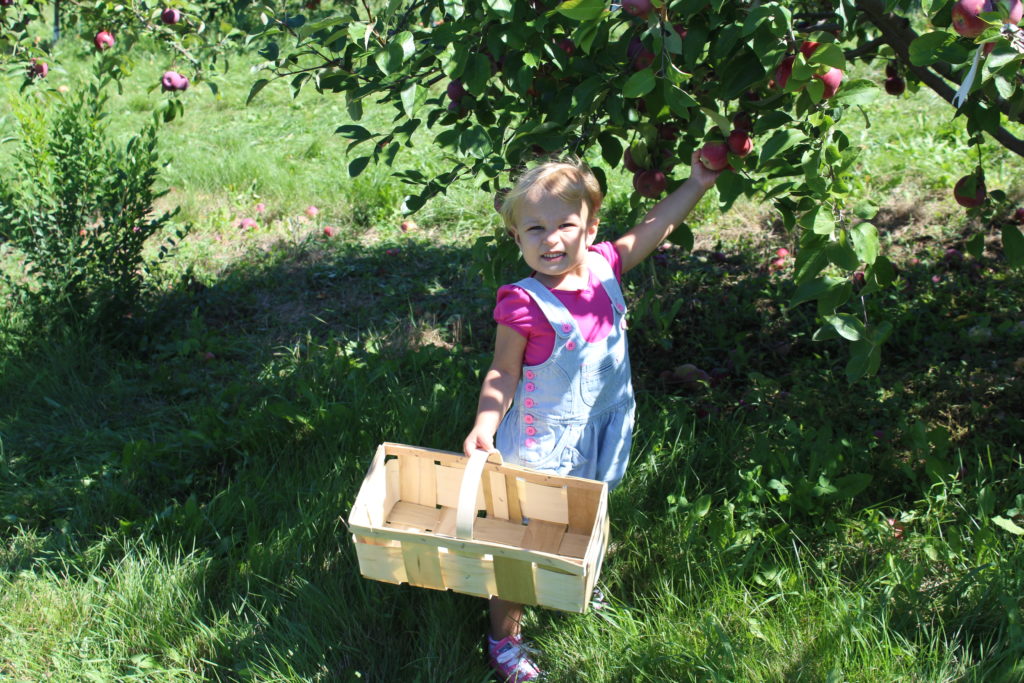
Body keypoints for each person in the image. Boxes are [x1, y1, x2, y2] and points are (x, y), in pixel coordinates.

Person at [462, 151, 720, 682]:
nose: (551, 240)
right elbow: (502, 373)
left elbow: (657, 224)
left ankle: (574, 578)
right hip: (542, 444)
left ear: (591, 228)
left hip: (600, 431)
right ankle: (503, 639)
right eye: (535, 228)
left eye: (565, 225)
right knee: (521, 541)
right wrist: (484, 425)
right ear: (516, 237)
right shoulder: (523, 304)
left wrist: (697, 181)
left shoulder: (604, 265)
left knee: (588, 514)